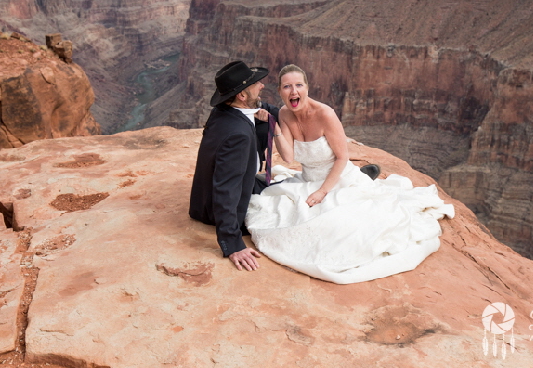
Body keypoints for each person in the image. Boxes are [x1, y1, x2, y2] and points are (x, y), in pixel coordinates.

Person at [245, 64, 455, 284]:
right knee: (275, 212)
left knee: (341, 227)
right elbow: (288, 157)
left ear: (307, 87)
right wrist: (274, 127)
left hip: (339, 181)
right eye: (287, 87)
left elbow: (342, 158)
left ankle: (364, 178)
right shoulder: (285, 114)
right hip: (307, 180)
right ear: (280, 91)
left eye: (298, 85)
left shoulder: (325, 114)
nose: (293, 91)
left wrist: (323, 192)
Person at [188, 60, 270, 271]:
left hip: (215, 195)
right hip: (222, 210)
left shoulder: (223, 112)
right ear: (242, 96)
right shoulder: (237, 135)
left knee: (292, 186)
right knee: (299, 204)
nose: (261, 86)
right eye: (255, 84)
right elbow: (226, 188)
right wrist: (232, 243)